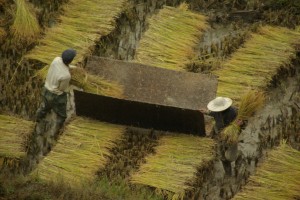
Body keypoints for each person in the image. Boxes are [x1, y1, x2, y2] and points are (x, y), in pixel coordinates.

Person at [36, 49, 76, 129]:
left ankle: (37, 119)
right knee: (62, 115)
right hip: (56, 96)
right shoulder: (66, 76)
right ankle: (58, 128)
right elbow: (61, 89)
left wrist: (73, 68)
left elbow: (62, 66)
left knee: (44, 107)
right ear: (71, 60)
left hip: (46, 89)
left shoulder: (56, 59)